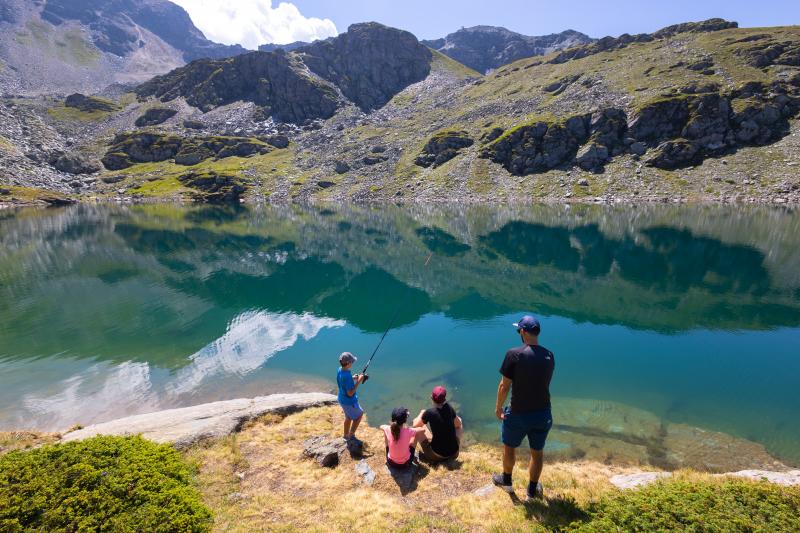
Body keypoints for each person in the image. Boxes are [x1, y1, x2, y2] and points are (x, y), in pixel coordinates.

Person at [492, 315, 555, 501]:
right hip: (543, 413)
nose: (518, 332)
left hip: (518, 413)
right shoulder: (549, 355)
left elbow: (504, 386)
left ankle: (507, 482)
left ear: (523, 332)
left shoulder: (514, 354)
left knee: (509, 448)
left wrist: (498, 408)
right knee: (537, 453)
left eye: (519, 330)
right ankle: (532, 491)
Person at [412, 385, 463, 463]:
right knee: (459, 423)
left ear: (431, 398)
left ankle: (432, 456)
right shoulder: (449, 408)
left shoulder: (429, 412)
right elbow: (458, 425)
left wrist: (421, 413)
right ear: (445, 398)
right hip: (454, 454)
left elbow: (415, 425)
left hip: (436, 456)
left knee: (417, 428)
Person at [337, 351, 365, 444]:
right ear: (348, 363)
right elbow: (350, 393)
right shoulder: (347, 376)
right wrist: (359, 381)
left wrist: (352, 378)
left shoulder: (340, 370)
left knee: (348, 417)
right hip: (349, 402)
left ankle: (345, 436)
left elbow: (342, 381)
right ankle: (351, 436)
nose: (352, 363)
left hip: (341, 399)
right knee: (359, 414)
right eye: (352, 362)